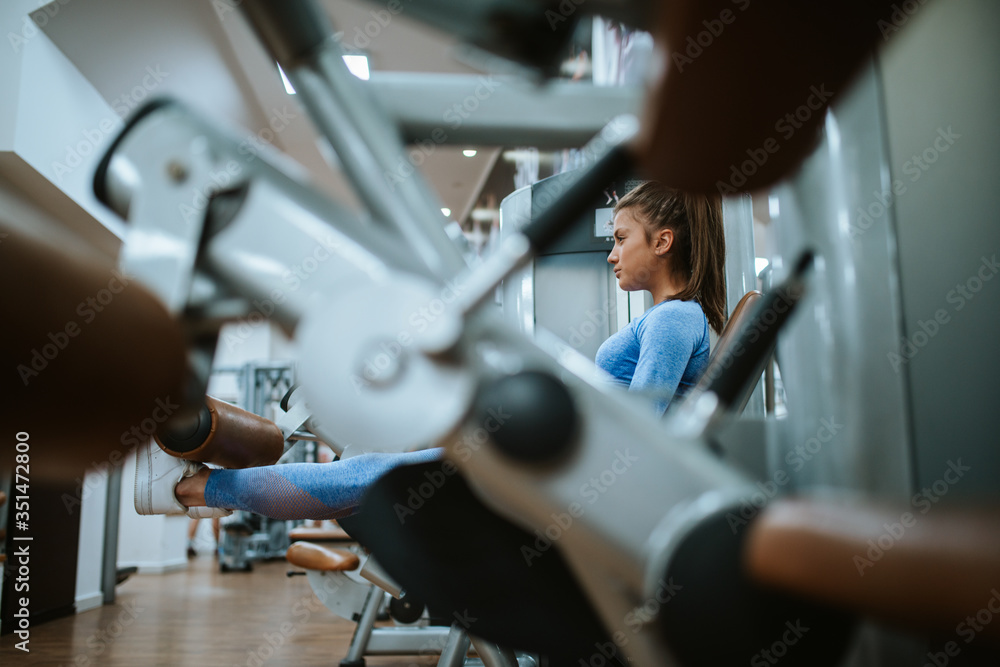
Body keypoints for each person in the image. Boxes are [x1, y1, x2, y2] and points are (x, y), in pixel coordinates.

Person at [595, 180, 727, 415]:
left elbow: (641, 420)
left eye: (621, 239)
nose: (612, 256)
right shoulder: (670, 314)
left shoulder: (672, 317)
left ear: (662, 242)